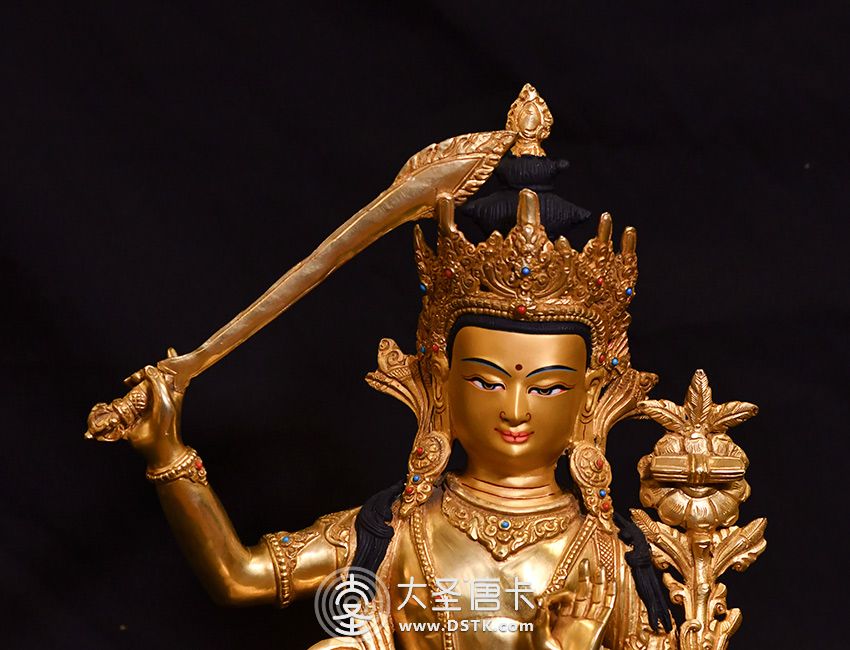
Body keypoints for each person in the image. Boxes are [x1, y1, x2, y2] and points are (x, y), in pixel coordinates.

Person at [92, 85, 682, 649]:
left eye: (548, 387)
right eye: (486, 380)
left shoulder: (615, 559)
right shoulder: (393, 531)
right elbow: (238, 576)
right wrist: (167, 455)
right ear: (438, 381)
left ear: (590, 395)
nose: (515, 408)